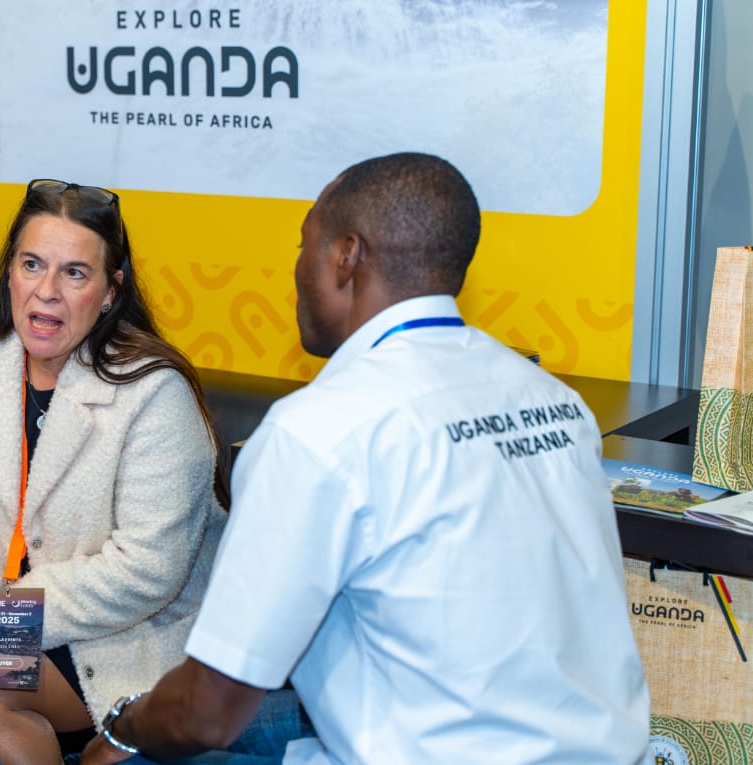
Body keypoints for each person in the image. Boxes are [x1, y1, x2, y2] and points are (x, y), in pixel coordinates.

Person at [82, 153, 651, 764]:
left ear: (345, 257)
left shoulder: (318, 431)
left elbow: (207, 713)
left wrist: (120, 728)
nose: (296, 269)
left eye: (303, 245)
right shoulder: (554, 401)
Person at [0, 179, 226, 763]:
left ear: (111, 291)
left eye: (75, 273)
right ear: (10, 271)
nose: (46, 291)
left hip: (120, 633)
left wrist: (1, 609)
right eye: (32, 264)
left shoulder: (154, 394)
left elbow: (148, 573)